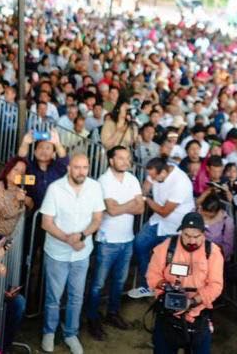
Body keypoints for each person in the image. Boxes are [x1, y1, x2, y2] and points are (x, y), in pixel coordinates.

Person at [38, 153, 104, 354]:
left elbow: (97, 219)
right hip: (57, 253)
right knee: (53, 297)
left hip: (82, 253)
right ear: (68, 168)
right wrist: (68, 240)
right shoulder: (55, 189)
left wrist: (81, 236)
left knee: (76, 297)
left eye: (85, 167)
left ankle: (71, 333)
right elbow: (46, 223)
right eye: (77, 167)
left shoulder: (94, 187)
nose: (81, 171)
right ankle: (49, 332)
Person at [145, 212, 224, 354]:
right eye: (187, 235)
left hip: (198, 317)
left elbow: (216, 285)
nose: (191, 241)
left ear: (203, 234)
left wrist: (192, 301)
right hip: (167, 316)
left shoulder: (212, 252)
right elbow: (152, 275)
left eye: (196, 236)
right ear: (181, 231)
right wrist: (165, 288)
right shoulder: (167, 248)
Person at [85, 145, 143, 340]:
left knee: (119, 281)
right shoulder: (103, 181)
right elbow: (111, 210)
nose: (126, 162)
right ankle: (92, 318)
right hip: (107, 240)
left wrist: (121, 206)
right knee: (98, 284)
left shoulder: (133, 179)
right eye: (121, 158)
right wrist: (128, 205)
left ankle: (113, 313)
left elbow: (140, 208)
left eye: (128, 158)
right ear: (111, 160)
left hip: (127, 239)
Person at [129, 156, 196, 298]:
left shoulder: (181, 183)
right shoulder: (160, 168)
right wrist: (141, 193)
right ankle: (147, 285)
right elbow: (147, 184)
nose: (152, 178)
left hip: (175, 228)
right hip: (157, 222)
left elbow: (164, 212)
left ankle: (170, 294)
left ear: (163, 173)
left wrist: (146, 199)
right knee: (140, 244)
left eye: (155, 177)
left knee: (173, 262)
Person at [0, 156, 33, 238]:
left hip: (9, 238)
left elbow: (26, 211)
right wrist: (16, 200)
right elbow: (6, 214)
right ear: (8, 169)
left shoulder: (19, 190)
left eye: (22, 172)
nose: (19, 174)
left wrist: (29, 202)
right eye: (16, 169)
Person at [197, 193, 234, 261]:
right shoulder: (195, 214)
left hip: (214, 256)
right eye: (204, 215)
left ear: (218, 212)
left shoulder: (226, 221)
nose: (206, 218)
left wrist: (213, 253)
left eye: (210, 216)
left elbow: (228, 246)